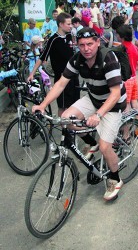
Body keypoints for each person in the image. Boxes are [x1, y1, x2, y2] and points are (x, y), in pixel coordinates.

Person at [32, 27, 127, 201]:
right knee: (65, 118)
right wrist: (43, 104)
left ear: (98, 42)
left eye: (90, 44)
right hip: (93, 98)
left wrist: (98, 116)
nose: (86, 48)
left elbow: (115, 93)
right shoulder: (77, 59)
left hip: (113, 103)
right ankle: (92, 143)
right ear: (77, 45)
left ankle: (115, 178)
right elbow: (60, 83)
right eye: (82, 45)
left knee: (106, 147)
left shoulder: (108, 59)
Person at [28, 12, 80, 117]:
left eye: (71, 24)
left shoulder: (70, 35)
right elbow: (42, 57)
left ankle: (72, 127)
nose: (71, 26)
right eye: (68, 24)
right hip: (61, 78)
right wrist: (32, 73)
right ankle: (64, 131)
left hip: (73, 76)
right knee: (63, 106)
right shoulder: (53, 40)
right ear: (61, 24)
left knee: (75, 104)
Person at [116, 24, 138, 112]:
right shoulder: (134, 47)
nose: (116, 36)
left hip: (126, 80)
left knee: (125, 103)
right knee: (134, 101)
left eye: (117, 34)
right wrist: (132, 70)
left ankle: (127, 124)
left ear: (121, 37)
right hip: (134, 79)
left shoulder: (121, 49)